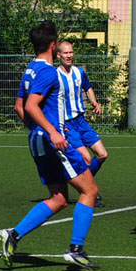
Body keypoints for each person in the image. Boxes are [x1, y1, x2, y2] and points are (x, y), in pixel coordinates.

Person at [0, 21, 102, 270]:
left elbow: (19, 107)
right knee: (89, 191)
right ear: (54, 46)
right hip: (52, 141)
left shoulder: (30, 70)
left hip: (37, 141)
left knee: (59, 198)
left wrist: (36, 130)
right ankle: (76, 249)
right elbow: (31, 106)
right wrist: (52, 132)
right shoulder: (47, 72)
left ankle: (13, 236)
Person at [56, 40, 109, 184]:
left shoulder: (79, 72)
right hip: (68, 124)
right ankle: (89, 189)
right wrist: (58, 124)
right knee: (86, 158)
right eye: (65, 53)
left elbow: (88, 87)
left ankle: (87, 186)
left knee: (102, 154)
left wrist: (94, 102)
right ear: (58, 55)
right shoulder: (55, 76)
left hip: (81, 121)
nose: (69, 56)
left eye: (71, 52)